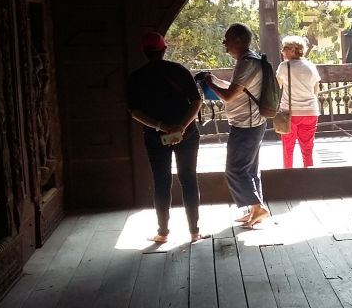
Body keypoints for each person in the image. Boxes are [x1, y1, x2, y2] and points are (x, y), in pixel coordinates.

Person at [127, 32, 208, 244]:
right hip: (187, 134)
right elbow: (196, 101)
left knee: (161, 181)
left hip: (155, 137)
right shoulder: (178, 70)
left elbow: (135, 112)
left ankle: (162, 233)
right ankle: (194, 232)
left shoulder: (136, 77)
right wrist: (181, 126)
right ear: (164, 50)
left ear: (144, 52)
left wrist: (161, 126)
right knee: (188, 179)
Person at [203, 23, 269, 228]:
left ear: (238, 40)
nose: (224, 43)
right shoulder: (252, 60)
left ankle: (257, 207)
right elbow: (236, 89)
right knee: (249, 169)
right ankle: (254, 209)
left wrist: (209, 83)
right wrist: (214, 80)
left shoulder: (246, 63)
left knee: (234, 170)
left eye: (227, 38)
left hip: (246, 125)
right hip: (253, 122)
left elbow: (229, 96)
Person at [276, 36, 321, 168]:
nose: (282, 51)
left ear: (293, 50)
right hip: (310, 112)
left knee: (288, 149)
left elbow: (278, 86)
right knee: (307, 150)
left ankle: (288, 177)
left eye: (284, 48)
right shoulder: (311, 66)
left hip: (289, 114)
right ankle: (308, 178)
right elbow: (315, 90)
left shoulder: (284, 66)